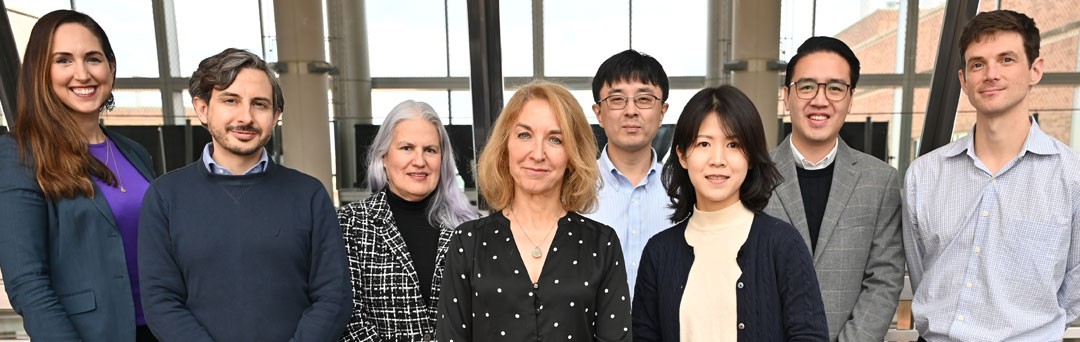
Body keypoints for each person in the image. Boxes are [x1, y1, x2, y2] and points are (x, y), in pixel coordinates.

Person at [138, 48, 351, 341]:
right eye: (230, 101)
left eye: (259, 104)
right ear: (202, 108)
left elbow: (334, 297)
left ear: (276, 115)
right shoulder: (164, 197)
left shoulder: (309, 195)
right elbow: (161, 301)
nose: (246, 117)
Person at [903, 9, 1080, 341]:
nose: (991, 74)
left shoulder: (1072, 178)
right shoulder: (924, 176)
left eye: (1007, 59)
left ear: (1035, 70)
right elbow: (921, 272)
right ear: (963, 80)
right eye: (978, 64)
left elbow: (1074, 291)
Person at [0, 10, 157, 342]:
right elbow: (28, 282)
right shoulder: (18, 154)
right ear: (40, 72)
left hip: (160, 329)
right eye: (63, 60)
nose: (82, 73)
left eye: (93, 59)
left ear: (111, 67)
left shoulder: (134, 152)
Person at [436, 81, 631, 341]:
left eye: (555, 139)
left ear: (573, 154)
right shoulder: (468, 241)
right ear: (505, 146)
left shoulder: (602, 244)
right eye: (524, 135)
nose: (537, 153)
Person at [632, 86, 827, 341]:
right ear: (682, 155)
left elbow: (809, 335)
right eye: (703, 143)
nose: (718, 159)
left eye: (733, 144)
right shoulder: (658, 253)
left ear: (750, 156)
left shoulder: (783, 244)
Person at [763, 36, 904, 341]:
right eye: (807, 86)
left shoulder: (879, 182)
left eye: (835, 88)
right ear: (787, 96)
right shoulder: (753, 175)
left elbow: (884, 280)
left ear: (851, 99)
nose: (820, 100)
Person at [338, 100, 478, 341]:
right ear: (383, 156)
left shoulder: (469, 227)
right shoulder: (349, 224)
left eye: (430, 150)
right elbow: (348, 319)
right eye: (406, 148)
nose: (419, 161)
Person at [583, 49, 674, 297]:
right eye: (617, 99)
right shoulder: (574, 190)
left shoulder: (683, 191)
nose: (631, 111)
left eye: (644, 99)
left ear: (662, 112)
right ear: (599, 113)